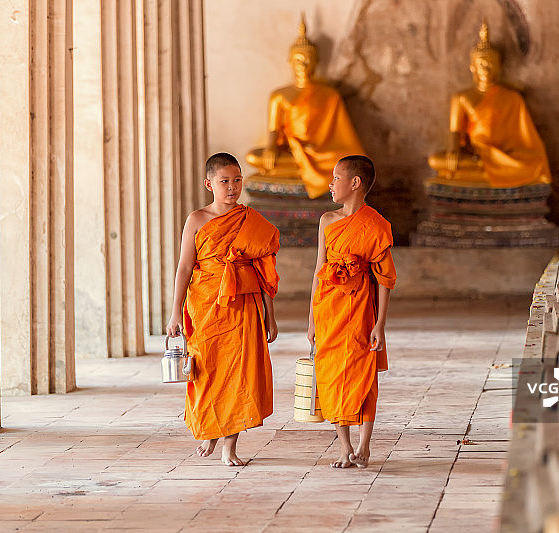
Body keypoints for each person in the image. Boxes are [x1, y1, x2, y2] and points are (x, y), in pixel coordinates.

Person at [166, 152, 280, 466]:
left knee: (240, 374)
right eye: (224, 181)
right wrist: (175, 311)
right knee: (206, 370)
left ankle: (230, 446)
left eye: (237, 181)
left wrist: (270, 315)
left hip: (243, 304)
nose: (232, 188)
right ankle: (210, 427)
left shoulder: (250, 220)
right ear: (209, 184)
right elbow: (185, 267)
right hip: (204, 305)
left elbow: (264, 271)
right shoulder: (197, 219)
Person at [307, 155, 396, 468]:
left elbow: (385, 280)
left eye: (336, 178)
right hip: (329, 310)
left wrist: (380, 324)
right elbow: (319, 268)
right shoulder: (327, 221)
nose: (331, 184)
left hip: (361, 310)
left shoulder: (375, 225)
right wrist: (311, 319)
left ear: (355, 183)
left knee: (363, 374)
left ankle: (364, 446)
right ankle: (344, 447)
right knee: (331, 374)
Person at [245, 16, 365, 199]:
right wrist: (271, 148)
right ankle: (299, 169)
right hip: (292, 151)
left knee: (351, 164)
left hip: (324, 154)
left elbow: (343, 137)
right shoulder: (279, 95)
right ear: (290, 62)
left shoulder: (330, 95)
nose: (303, 65)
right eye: (298, 60)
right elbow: (273, 129)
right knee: (253, 157)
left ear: (316, 62)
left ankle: (301, 171)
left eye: (308, 60)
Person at [428, 21, 551, 187]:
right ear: (473, 67)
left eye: (491, 64)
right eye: (482, 64)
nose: (486, 68)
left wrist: (504, 158)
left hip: (506, 156)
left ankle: (483, 172)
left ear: (499, 67)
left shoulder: (512, 98)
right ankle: (488, 171)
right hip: (476, 155)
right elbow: (455, 132)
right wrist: (453, 151)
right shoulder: (462, 98)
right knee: (435, 161)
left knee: (535, 163)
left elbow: (526, 140)